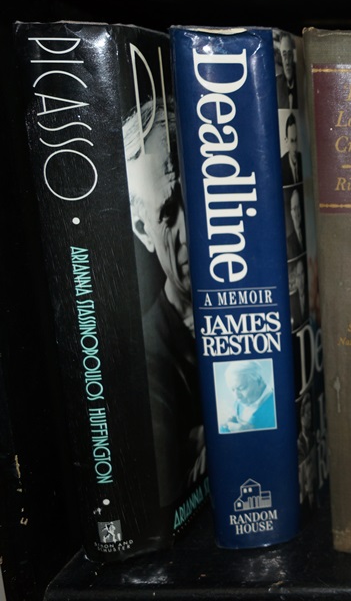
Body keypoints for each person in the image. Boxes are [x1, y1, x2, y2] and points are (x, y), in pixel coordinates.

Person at [125, 96, 205, 507]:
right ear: (142, 229)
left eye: (198, 198)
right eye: (168, 213)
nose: (192, 232)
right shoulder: (150, 360)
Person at [220, 360, 277, 432]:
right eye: (232, 390)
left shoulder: (279, 406)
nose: (237, 397)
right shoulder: (238, 403)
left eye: (242, 388)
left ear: (259, 381)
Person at [281, 113, 302, 186]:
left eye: (296, 140)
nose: (295, 146)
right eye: (292, 141)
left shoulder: (301, 159)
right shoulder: (281, 166)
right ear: (286, 141)